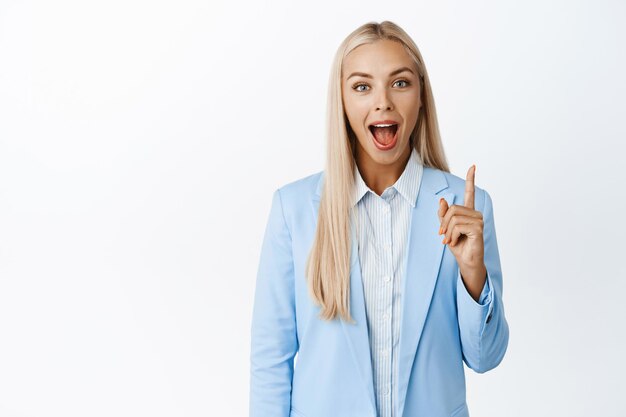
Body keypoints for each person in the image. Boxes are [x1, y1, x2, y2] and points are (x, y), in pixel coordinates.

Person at [249, 20, 509, 417]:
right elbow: (271, 362)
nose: (383, 101)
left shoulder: (467, 208)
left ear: (421, 96)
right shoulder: (294, 210)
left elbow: (485, 358)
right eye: (362, 86)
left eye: (400, 83)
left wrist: (473, 275)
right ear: (342, 100)